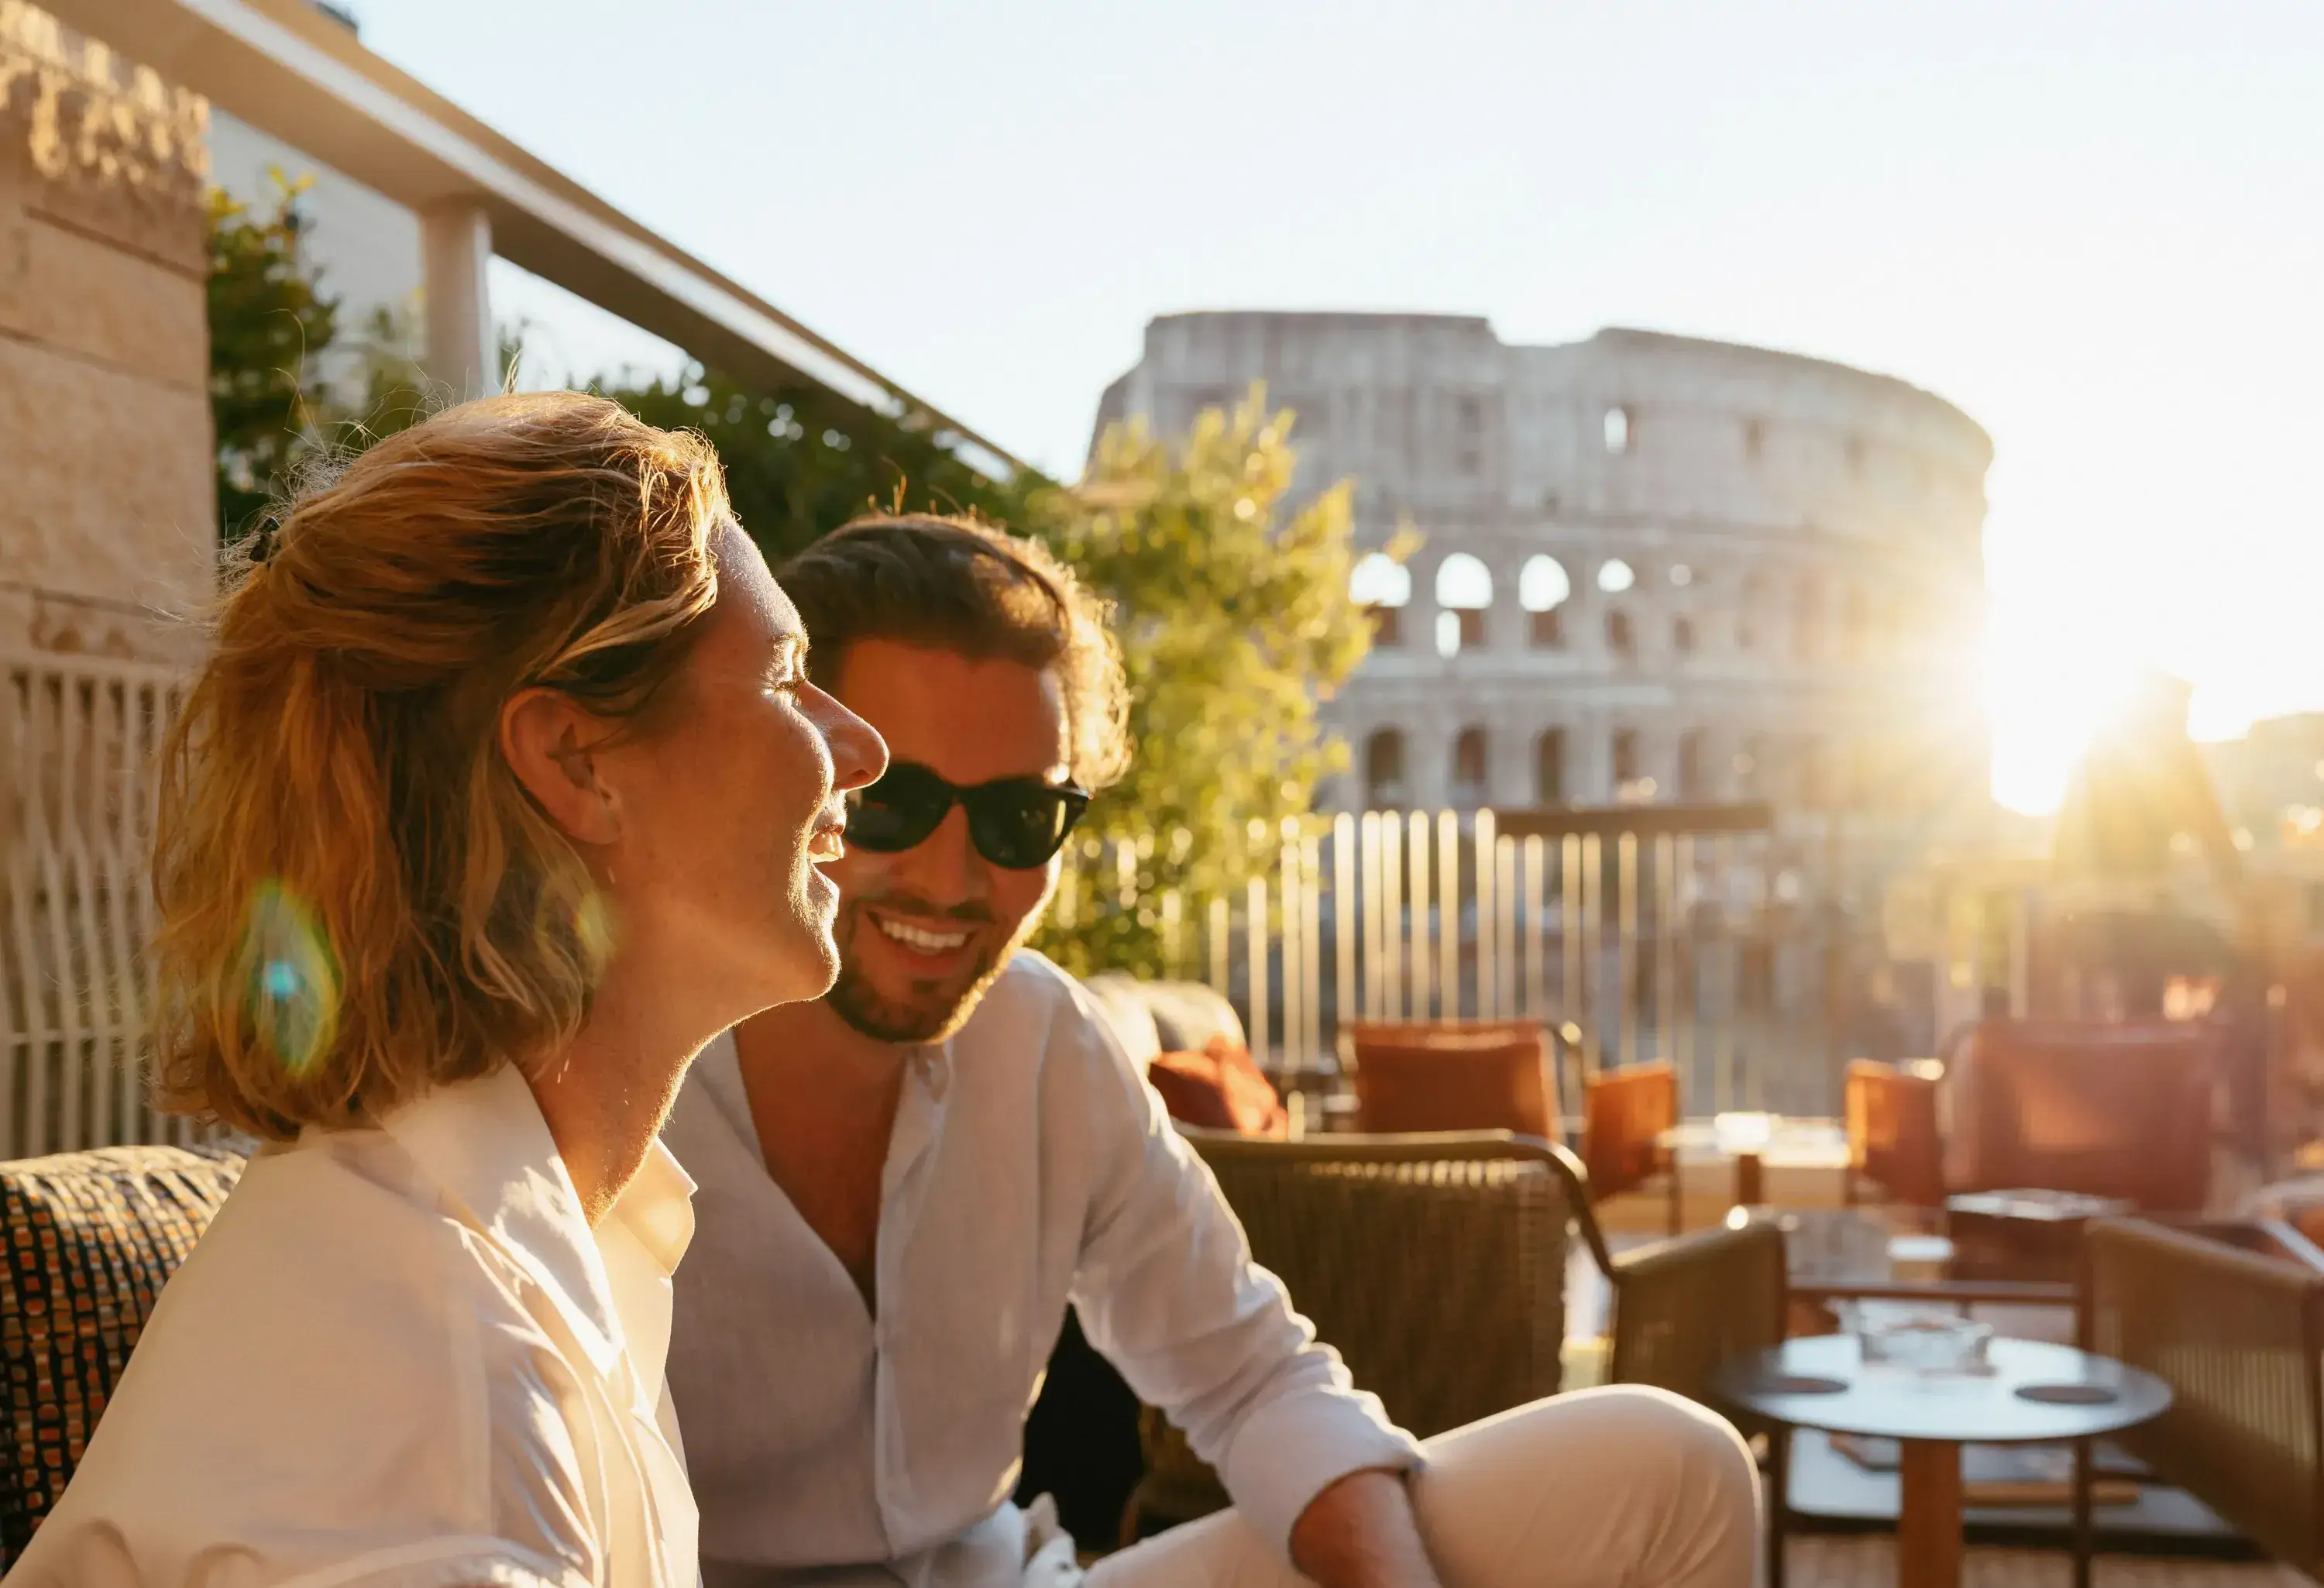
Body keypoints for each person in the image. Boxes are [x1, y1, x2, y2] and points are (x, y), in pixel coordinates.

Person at [662, 514, 1758, 1588]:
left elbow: (1252, 1377)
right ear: (789, 770)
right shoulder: (630, 1077)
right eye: (891, 798)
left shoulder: (1043, 1041)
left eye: (1018, 817)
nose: (952, 879)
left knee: (1673, 1466)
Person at [9, 394, 885, 1586]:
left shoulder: (533, 1252)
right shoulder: (432, 1399)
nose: (863, 747)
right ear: (575, 760)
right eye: (786, 678)